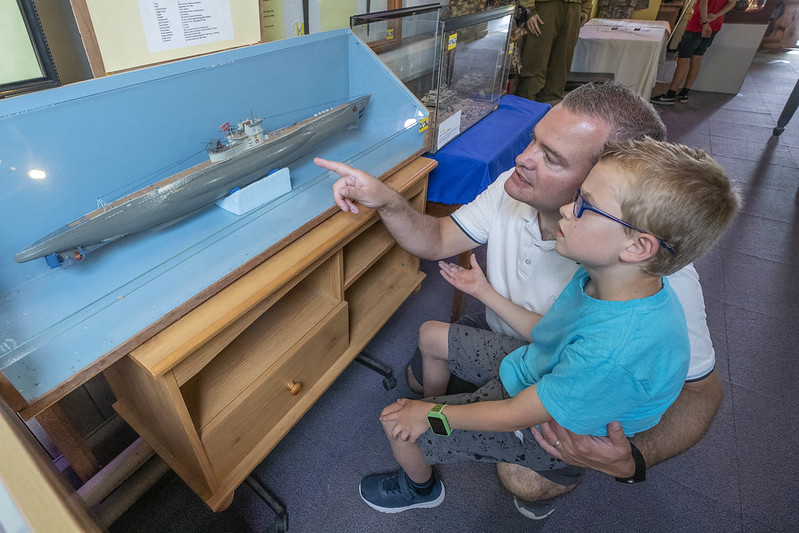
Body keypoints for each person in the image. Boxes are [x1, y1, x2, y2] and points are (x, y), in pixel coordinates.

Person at [313, 82, 721, 518]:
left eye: (553, 158)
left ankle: (427, 480)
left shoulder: (663, 285)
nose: (521, 159)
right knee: (426, 361)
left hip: (555, 393)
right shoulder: (546, 215)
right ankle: (449, 397)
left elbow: (701, 393)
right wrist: (388, 200)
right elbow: (436, 239)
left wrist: (632, 459)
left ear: (607, 184)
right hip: (534, 355)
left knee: (515, 475)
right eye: (534, 140)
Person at [650, 0, 737, 105]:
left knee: (684, 58)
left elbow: (703, 3)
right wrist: (715, 16)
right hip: (715, 24)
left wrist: (705, 22)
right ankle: (684, 92)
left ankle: (671, 94)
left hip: (698, 24)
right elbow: (732, 3)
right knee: (697, 57)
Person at [515, 0, 592, 105]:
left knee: (560, 68)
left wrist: (585, 8)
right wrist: (529, 9)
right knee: (535, 63)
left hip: (574, 8)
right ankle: (525, 109)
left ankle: (550, 107)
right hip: (544, 7)